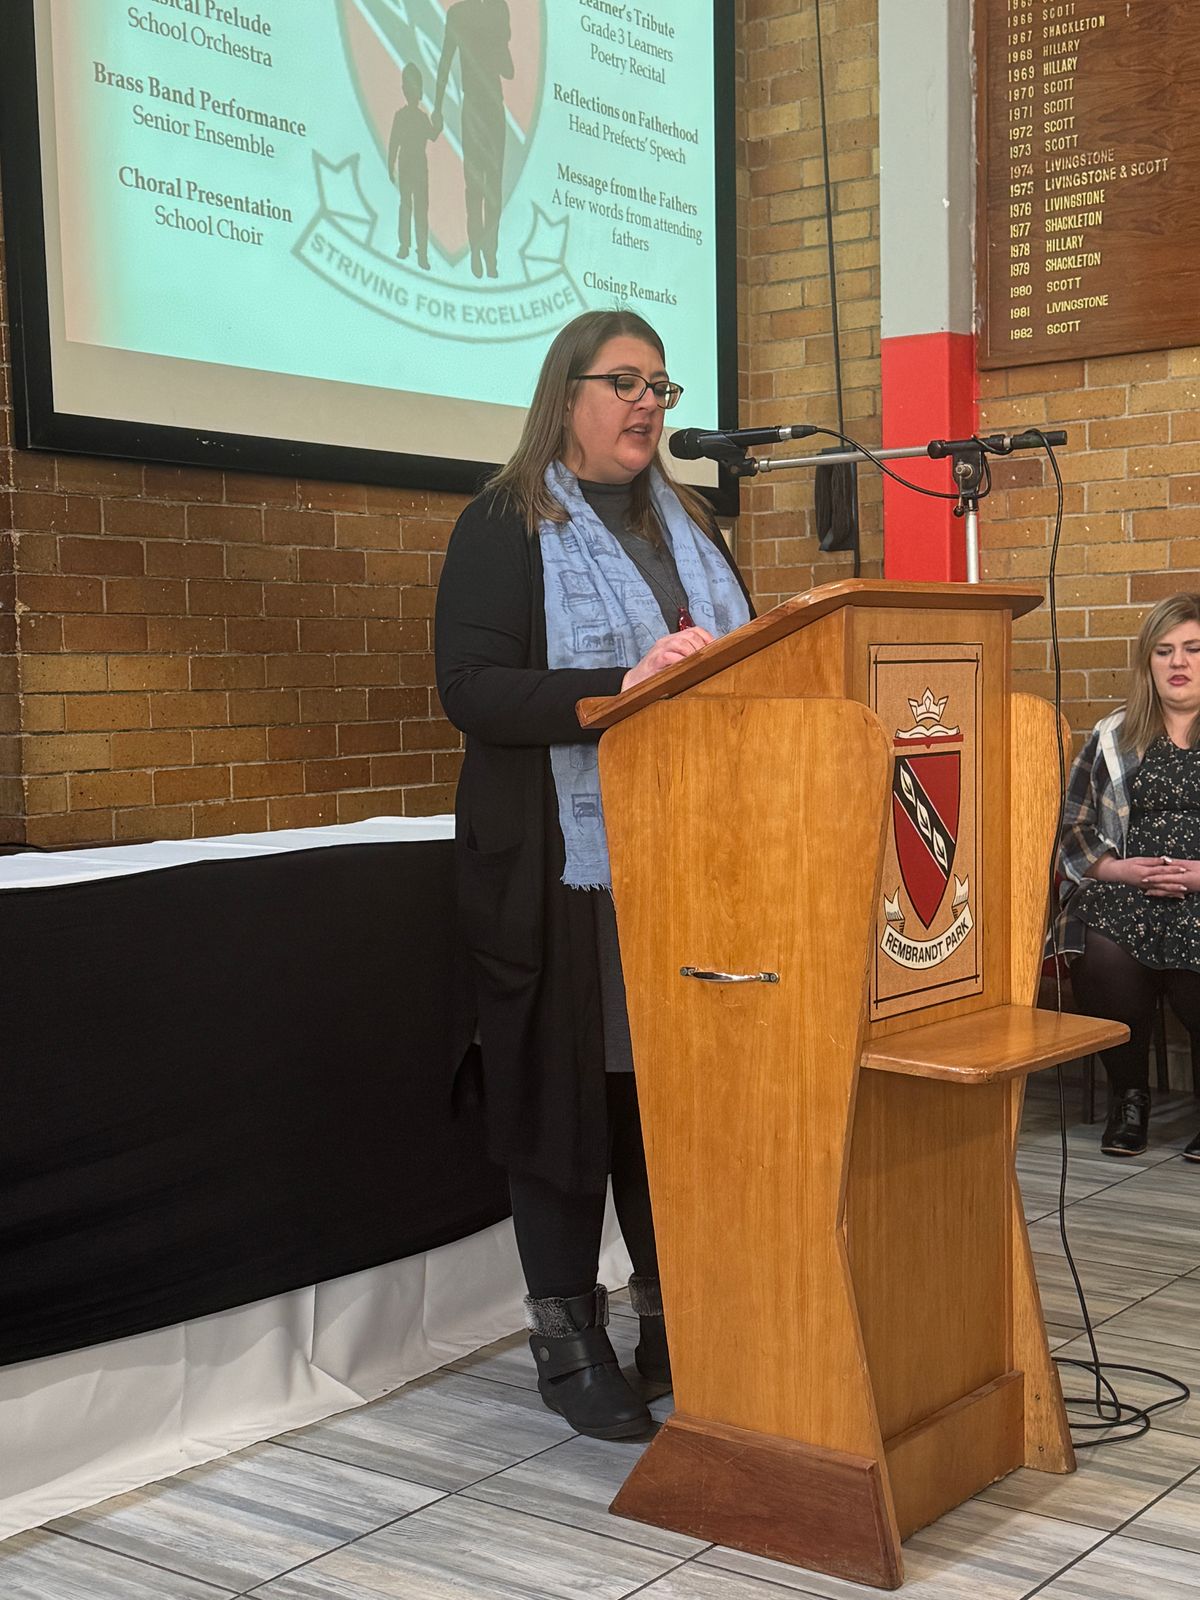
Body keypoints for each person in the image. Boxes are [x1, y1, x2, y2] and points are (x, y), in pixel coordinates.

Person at [435, 310, 753, 1439]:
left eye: (660, 386)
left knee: (667, 1101)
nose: (648, 404)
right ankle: (568, 1339)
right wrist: (623, 683)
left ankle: (675, 1317)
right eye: (624, 382)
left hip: (692, 862)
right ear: (565, 393)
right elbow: (471, 689)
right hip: (558, 869)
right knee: (570, 1100)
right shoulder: (503, 520)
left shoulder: (692, 523)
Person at [1057, 591, 1200, 1162]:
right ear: (1148, 662)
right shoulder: (1113, 735)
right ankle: (1129, 1097)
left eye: (1193, 648)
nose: (1178, 662)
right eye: (1163, 651)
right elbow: (1073, 827)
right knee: (1100, 944)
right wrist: (1119, 869)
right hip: (1128, 889)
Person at [431, 0, 513, 278]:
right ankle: (484, 255)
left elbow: (446, 62)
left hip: (484, 106)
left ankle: (485, 254)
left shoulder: (475, 11)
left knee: (482, 187)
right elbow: (507, 67)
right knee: (483, 186)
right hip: (484, 106)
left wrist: (438, 108)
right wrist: (437, 108)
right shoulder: (488, 10)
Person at [387, 62, 435, 271]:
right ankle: (406, 246)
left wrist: (438, 123)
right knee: (408, 207)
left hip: (416, 167)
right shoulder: (404, 117)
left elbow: (432, 135)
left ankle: (420, 252)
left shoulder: (419, 118)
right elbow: (394, 143)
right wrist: (390, 164)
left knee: (417, 209)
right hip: (408, 165)